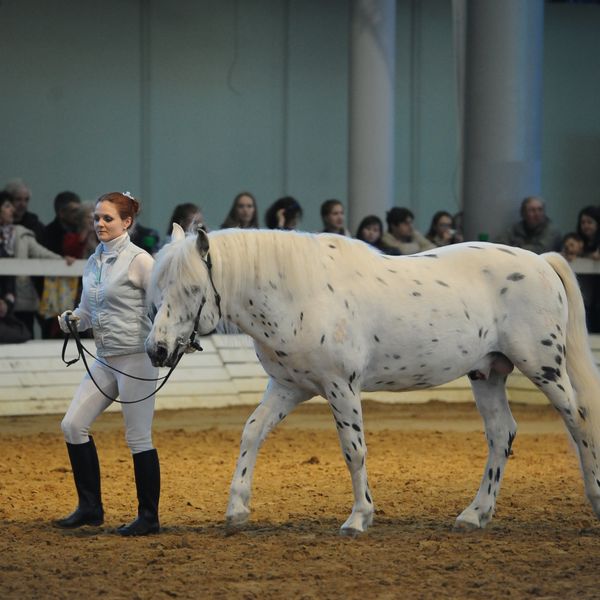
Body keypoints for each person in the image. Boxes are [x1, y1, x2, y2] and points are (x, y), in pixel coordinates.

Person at [55, 191, 160, 536]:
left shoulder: (140, 261)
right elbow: (87, 311)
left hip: (136, 359)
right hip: (104, 358)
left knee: (138, 438)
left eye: (107, 218)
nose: (99, 223)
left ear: (126, 222)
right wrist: (73, 318)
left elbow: (162, 307)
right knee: (73, 425)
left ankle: (148, 517)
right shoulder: (94, 260)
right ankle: (90, 507)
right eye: (97, 218)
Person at [0, 192, 74, 338]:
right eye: (7, 206)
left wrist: (62, 259)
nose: (12, 210)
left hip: (19, 297)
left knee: (24, 333)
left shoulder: (21, 233)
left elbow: (41, 252)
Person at [496, 196, 562, 254]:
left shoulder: (552, 230)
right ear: (523, 213)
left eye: (540, 210)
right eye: (532, 210)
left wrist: (514, 247)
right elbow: (499, 245)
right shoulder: (516, 228)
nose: (537, 214)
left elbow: (540, 250)